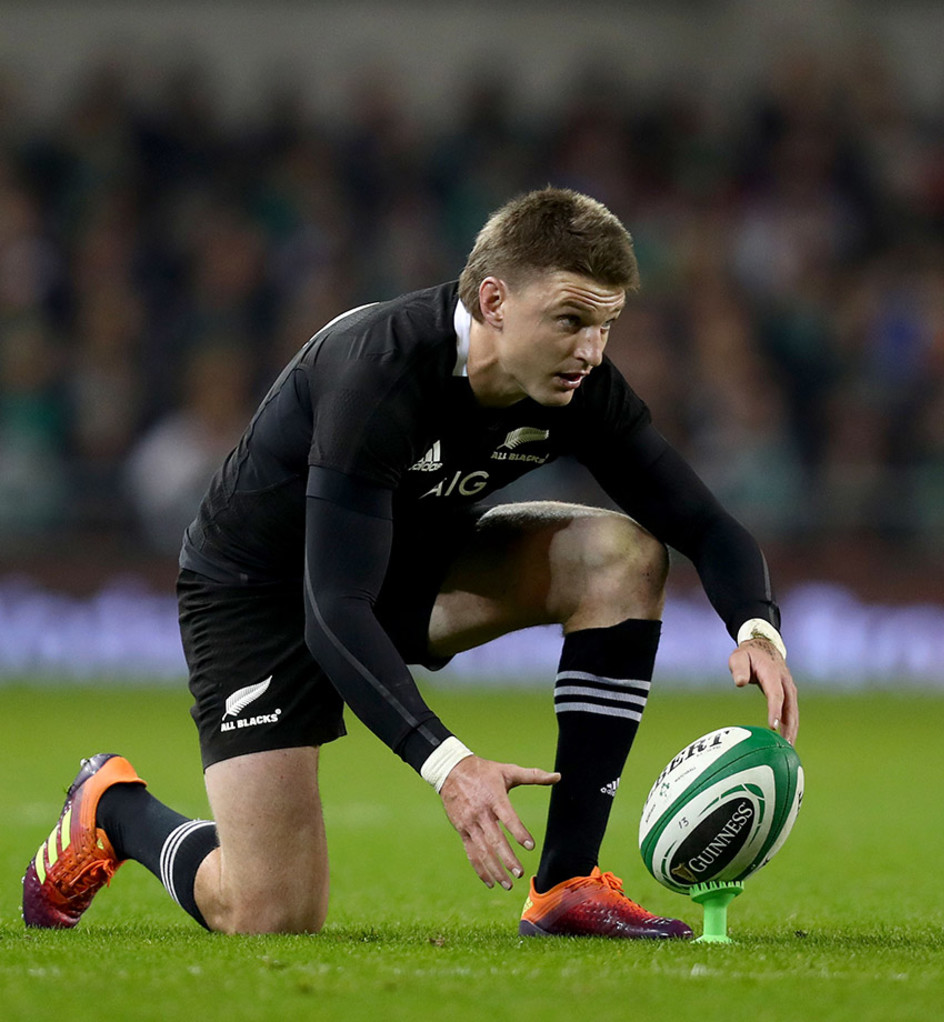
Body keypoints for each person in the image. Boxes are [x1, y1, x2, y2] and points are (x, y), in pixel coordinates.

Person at [23, 188, 797, 938]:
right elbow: (330, 608)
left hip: (408, 571)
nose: (591, 351)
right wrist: (450, 764)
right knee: (269, 914)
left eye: (606, 326)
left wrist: (758, 627)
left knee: (621, 554)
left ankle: (565, 884)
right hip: (260, 596)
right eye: (570, 321)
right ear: (494, 302)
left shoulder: (578, 386)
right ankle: (113, 808)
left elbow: (706, 524)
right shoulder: (380, 368)